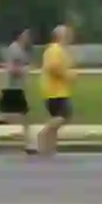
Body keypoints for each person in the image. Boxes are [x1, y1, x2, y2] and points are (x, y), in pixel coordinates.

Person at [36, 25, 75, 156]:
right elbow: (53, 67)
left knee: (56, 118)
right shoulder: (54, 49)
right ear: (60, 36)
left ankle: (49, 148)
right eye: (67, 34)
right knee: (63, 116)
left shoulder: (59, 50)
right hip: (55, 91)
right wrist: (67, 75)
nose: (70, 36)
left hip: (59, 90)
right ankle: (42, 135)